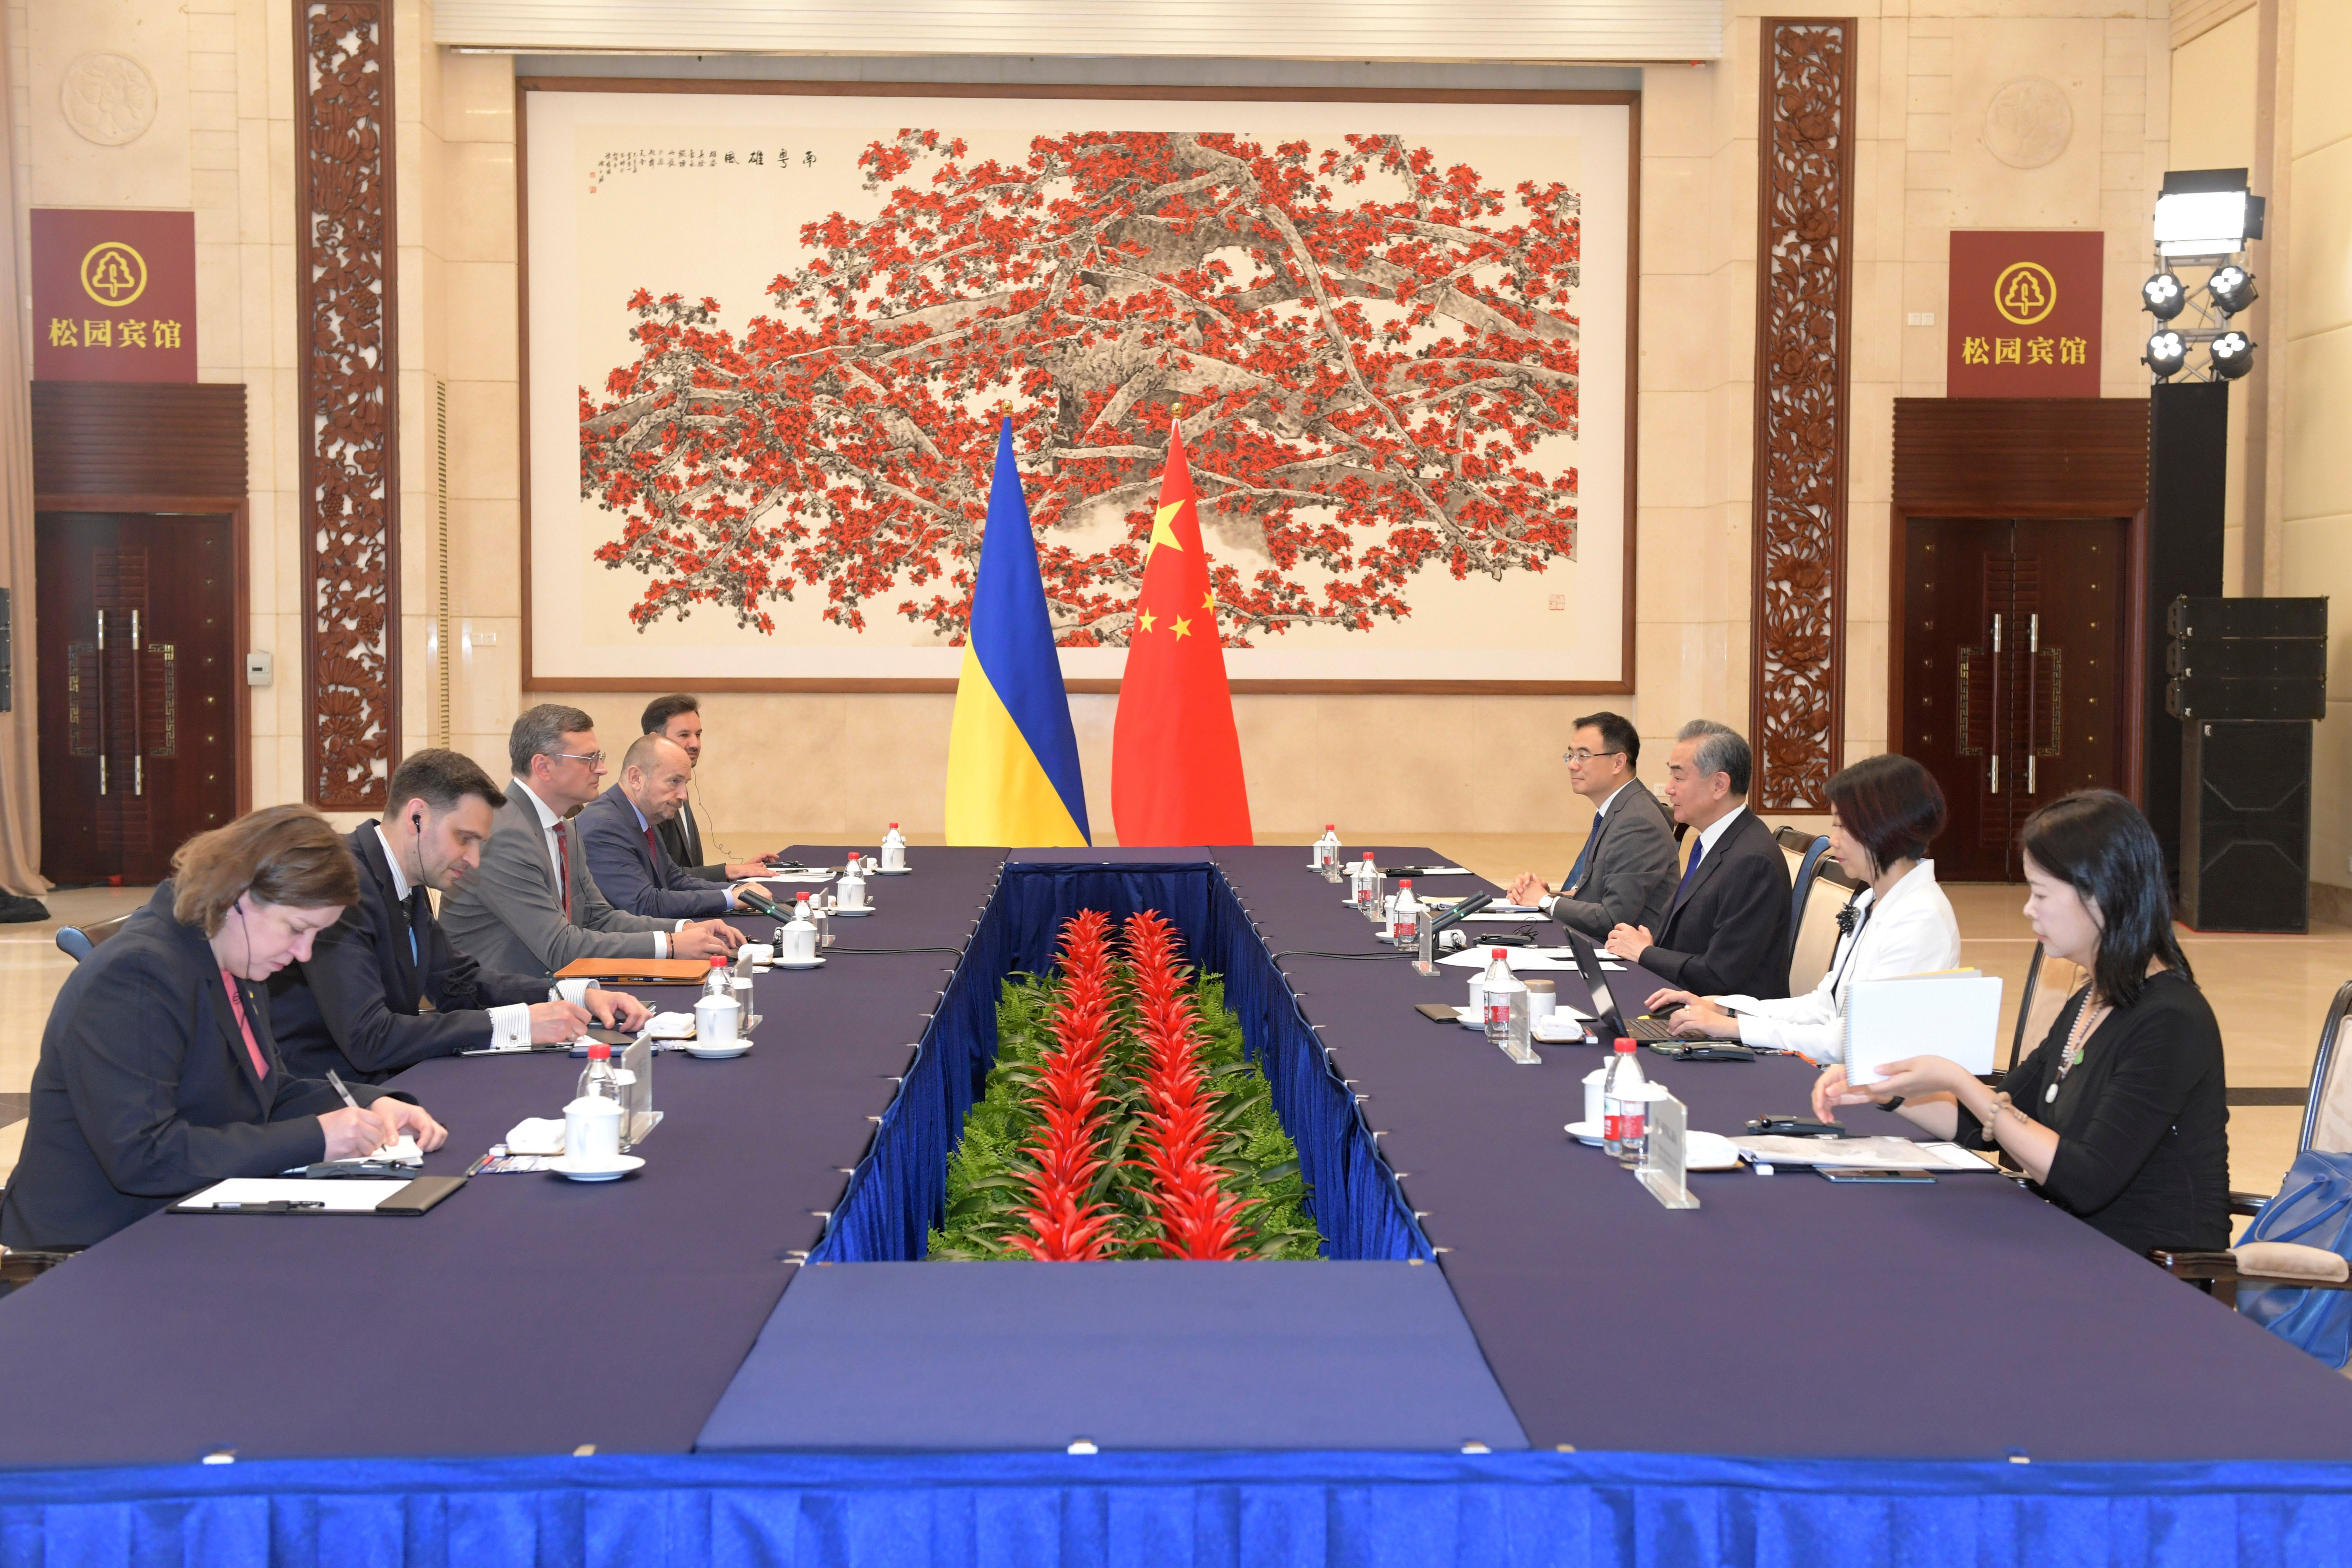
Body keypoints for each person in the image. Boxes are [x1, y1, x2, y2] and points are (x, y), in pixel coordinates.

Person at [0, 807, 449, 1251]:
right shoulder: (139, 974)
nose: (305, 953)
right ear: (237, 896)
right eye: (297, 929)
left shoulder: (226, 952)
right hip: (91, 1247)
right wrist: (318, 1137)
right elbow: (144, 1158)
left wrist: (376, 1105)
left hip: (171, 1217)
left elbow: (268, 1091)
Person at [1813, 790, 2229, 1255]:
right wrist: (1883, 1087)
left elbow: (2086, 1179)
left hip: (2148, 1275)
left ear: (2102, 895)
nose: (2028, 909)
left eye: (2041, 893)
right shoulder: (2090, 1001)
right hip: (2073, 1243)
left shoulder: (2171, 1020)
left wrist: (1957, 1078)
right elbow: (1991, 1121)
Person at [268, 749, 654, 1085]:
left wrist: (573, 994)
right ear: (417, 817)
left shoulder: (406, 878)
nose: (473, 860)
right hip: (334, 1101)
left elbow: (458, 982)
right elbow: (371, 1038)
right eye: (464, 838)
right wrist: (519, 1023)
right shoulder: (341, 883)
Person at [1642, 753, 1959, 1059]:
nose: (1833, 841)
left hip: (1878, 1096)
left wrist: (1736, 1027)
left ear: (1887, 829)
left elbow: (1854, 1041)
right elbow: (1825, 1006)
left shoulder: (1920, 917)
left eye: (1842, 827)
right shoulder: (1871, 899)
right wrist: (1721, 1006)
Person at [439, 705, 744, 978]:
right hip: (503, 1009)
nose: (602, 769)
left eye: (599, 758)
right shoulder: (503, 834)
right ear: (543, 767)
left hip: (558, 991)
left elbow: (598, 917)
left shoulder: (563, 827)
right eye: (589, 759)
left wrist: (685, 929)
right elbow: (560, 947)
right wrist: (671, 944)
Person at [1604, 720, 1792, 1000]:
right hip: (1688, 999)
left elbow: (1719, 975)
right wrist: (1647, 948)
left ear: (1719, 785)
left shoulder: (1752, 861)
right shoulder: (1714, 841)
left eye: (1679, 778)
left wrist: (1645, 953)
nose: (1668, 789)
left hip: (1731, 1021)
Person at [1506, 710, 1677, 940]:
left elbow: (1614, 919)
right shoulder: (1621, 808)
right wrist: (1537, 895)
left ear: (1618, 762)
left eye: (1583, 756)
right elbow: (1594, 897)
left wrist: (1545, 902)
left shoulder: (1638, 823)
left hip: (1629, 963)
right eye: (1570, 756)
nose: (1572, 766)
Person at [579, 733, 754, 919]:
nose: (683, 796)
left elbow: (673, 879)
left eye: (685, 784)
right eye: (674, 782)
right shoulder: (604, 827)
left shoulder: (643, 814)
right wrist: (728, 898)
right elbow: (643, 904)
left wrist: (738, 890)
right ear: (636, 778)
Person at [641, 694, 776, 881]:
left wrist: (739, 871)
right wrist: (728, 871)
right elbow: (662, 877)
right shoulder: (647, 798)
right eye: (684, 735)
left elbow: (686, 869)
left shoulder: (679, 787)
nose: (695, 744)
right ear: (655, 741)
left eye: (698, 735)